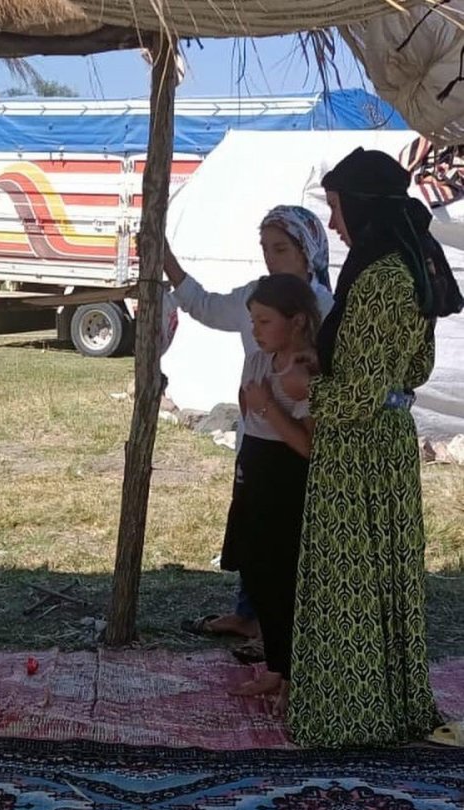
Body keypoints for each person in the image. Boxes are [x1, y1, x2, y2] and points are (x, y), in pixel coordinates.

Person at [289, 148, 463, 748]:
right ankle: (388, 702)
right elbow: (411, 365)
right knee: (386, 573)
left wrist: (306, 386)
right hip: (390, 442)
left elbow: (360, 392)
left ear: (360, 206)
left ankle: (351, 713)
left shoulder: (379, 275)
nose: (334, 224)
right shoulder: (413, 263)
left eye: (336, 208)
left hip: (356, 449)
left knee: (352, 577)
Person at [165, 205, 333, 650]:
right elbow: (205, 306)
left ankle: (283, 639)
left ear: (307, 250)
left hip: (295, 444)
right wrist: (166, 260)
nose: (270, 258)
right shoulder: (256, 295)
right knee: (254, 532)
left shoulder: (326, 308)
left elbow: (330, 382)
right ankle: (251, 618)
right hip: (257, 438)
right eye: (264, 248)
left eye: (280, 248)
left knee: (287, 540)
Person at [220, 274, 320, 712]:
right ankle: (276, 667)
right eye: (253, 321)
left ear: (295, 321)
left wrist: (268, 405)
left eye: (264, 321)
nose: (255, 330)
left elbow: (306, 445)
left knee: (283, 580)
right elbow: (247, 412)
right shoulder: (259, 362)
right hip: (254, 473)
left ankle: (295, 676)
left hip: (285, 481)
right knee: (256, 571)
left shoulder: (307, 371)